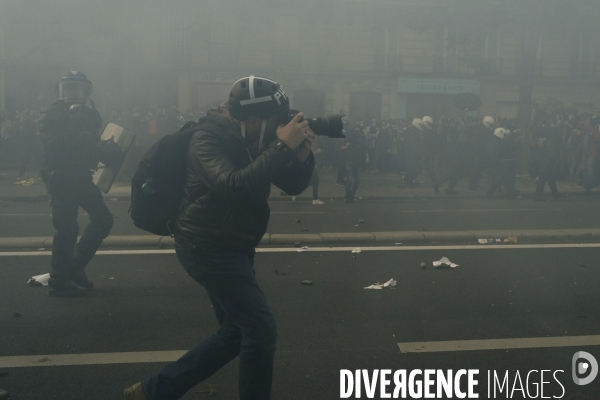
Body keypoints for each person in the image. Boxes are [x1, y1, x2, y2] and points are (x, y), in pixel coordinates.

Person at [124, 76, 315, 400]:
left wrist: (302, 153)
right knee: (260, 329)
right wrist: (282, 146)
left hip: (232, 243)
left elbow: (294, 185)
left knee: (235, 334)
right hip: (205, 245)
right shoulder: (208, 138)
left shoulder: (257, 138)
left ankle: (154, 391)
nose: (281, 125)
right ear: (253, 118)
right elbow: (233, 184)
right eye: (276, 118)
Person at [38, 71, 114, 297]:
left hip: (82, 176)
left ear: (87, 91)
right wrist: (74, 125)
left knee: (103, 219)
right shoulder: (50, 114)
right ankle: (60, 277)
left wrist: (106, 150)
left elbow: (90, 145)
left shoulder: (89, 115)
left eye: (78, 89)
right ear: (60, 91)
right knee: (67, 227)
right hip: (61, 178)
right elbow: (55, 149)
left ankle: (75, 266)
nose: (73, 93)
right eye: (69, 88)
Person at [341, 124, 368, 203]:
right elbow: (341, 148)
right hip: (349, 161)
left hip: (358, 162)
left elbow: (365, 147)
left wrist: (367, 157)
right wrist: (346, 146)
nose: (357, 132)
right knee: (349, 180)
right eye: (356, 130)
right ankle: (347, 197)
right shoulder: (349, 137)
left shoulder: (362, 138)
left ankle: (351, 195)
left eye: (358, 130)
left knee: (357, 181)